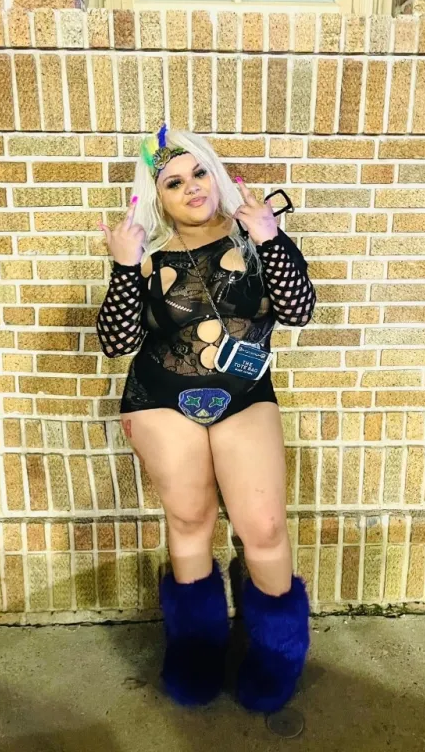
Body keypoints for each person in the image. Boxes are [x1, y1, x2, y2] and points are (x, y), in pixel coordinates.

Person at [96, 126, 317, 713]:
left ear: (215, 175)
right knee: (190, 518)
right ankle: (194, 653)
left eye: (198, 172)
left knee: (263, 527)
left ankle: (277, 656)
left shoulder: (256, 233)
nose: (191, 187)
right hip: (161, 398)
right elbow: (117, 342)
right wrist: (124, 266)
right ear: (158, 198)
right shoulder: (149, 257)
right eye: (173, 182)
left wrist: (270, 238)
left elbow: (298, 310)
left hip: (244, 396)